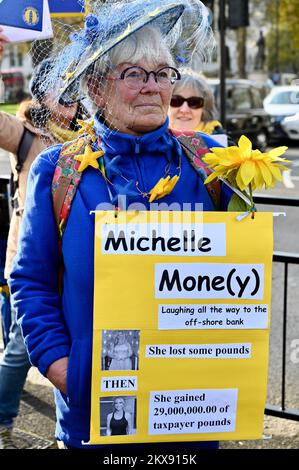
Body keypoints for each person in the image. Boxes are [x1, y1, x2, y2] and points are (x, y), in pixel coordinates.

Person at [9, 0, 239, 450]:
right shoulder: (60, 171)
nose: (154, 88)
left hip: (190, 407)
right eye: (134, 73)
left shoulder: (212, 162)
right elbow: (31, 281)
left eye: (162, 74)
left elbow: (240, 270)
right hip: (95, 410)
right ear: (95, 86)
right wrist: (60, 366)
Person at [0, 48, 87, 448]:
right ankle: (3, 419)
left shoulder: (90, 138)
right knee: (22, 348)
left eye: (75, 90)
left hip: (72, 270)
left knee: (58, 345)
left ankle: (65, 428)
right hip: (30, 264)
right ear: (43, 95)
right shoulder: (27, 136)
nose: (69, 101)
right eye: (61, 91)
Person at [168, 69, 227, 137]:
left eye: (194, 102)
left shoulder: (222, 142)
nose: (184, 110)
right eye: (176, 101)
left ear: (205, 108)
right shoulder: (154, 139)